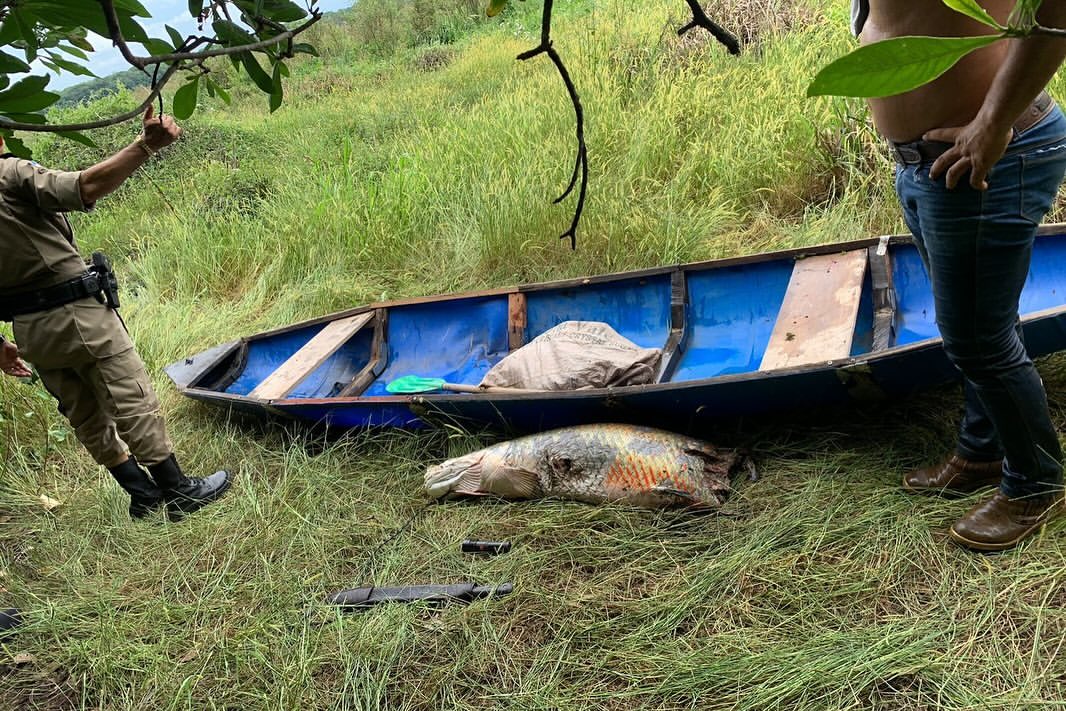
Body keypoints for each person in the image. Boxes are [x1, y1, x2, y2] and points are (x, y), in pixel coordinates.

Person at [855, 0, 1066, 551]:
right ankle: (982, 451)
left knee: (979, 339)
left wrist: (992, 124)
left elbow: (1058, 10)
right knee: (973, 325)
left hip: (992, 154)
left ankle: (1037, 483)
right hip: (926, 161)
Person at [0, 107, 230, 520]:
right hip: (77, 315)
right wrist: (145, 146)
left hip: (31, 331)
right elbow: (85, 186)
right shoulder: (10, 173)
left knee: (83, 412)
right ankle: (178, 490)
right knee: (130, 396)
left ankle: (141, 494)